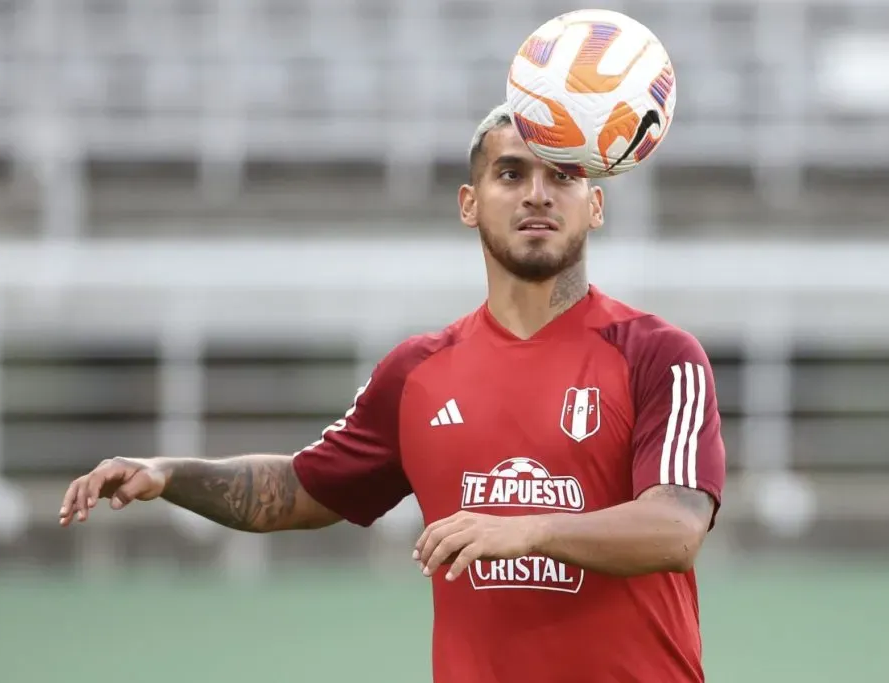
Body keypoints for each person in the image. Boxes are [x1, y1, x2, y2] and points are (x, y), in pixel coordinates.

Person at [58, 103, 727, 683]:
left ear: (596, 204)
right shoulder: (418, 373)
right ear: (470, 202)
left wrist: (527, 529)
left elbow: (674, 527)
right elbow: (298, 488)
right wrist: (167, 472)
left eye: (562, 175)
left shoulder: (658, 355)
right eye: (511, 172)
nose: (537, 194)